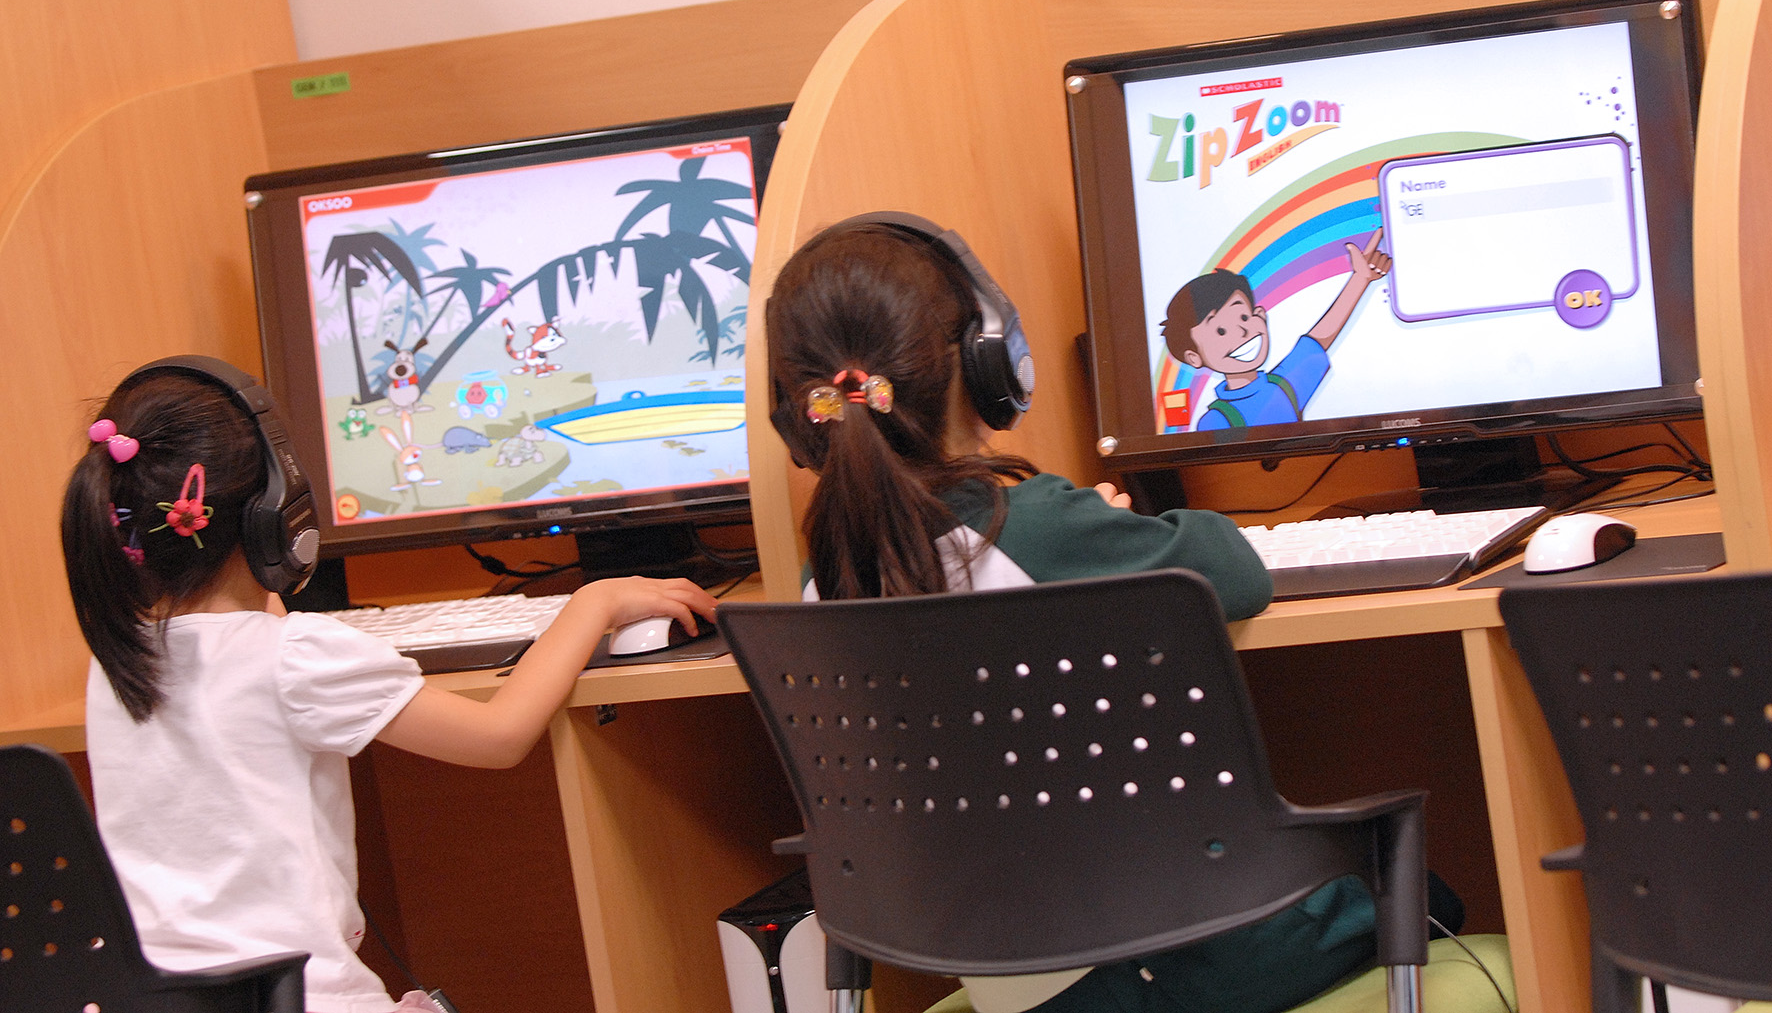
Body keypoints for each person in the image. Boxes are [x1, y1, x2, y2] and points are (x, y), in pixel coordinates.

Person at [765, 215, 1453, 1013]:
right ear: (986, 364)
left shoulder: (823, 581)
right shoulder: (1040, 528)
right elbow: (1236, 573)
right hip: (1179, 970)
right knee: (1428, 894)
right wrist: (1103, 526)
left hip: (1014, 989)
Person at [62, 359, 715, 1013]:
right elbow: (501, 735)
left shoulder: (116, 665)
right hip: (303, 999)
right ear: (277, 514)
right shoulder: (294, 657)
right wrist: (595, 603)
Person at [1162, 230, 1391, 431]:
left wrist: (1360, 279)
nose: (1241, 331)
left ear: (1260, 316)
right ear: (1194, 357)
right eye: (1220, 331)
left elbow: (1320, 337)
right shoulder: (1215, 421)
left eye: (1243, 317)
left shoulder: (1284, 384)